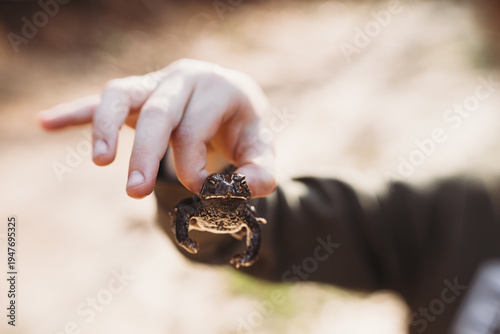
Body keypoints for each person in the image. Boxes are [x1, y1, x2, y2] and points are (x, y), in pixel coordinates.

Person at [38, 59, 500, 334]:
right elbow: (280, 227)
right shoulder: (462, 215)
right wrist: (203, 154)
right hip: (217, 202)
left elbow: (253, 228)